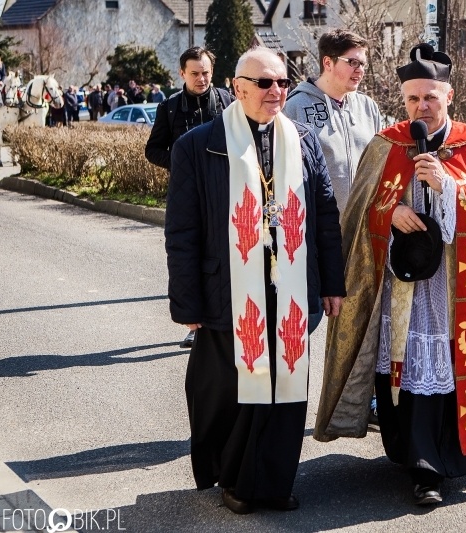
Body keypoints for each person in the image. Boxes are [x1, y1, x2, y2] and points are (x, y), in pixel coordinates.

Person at [314, 43, 466, 507]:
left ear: (450, 95)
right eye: (412, 99)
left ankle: (433, 463)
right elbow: (363, 211)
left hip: (456, 289)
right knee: (404, 368)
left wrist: (449, 186)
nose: (421, 107)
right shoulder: (388, 144)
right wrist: (392, 211)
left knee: (443, 368)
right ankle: (411, 454)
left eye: (430, 98)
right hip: (401, 288)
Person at [165, 46, 345, 514]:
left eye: (282, 82)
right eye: (265, 83)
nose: (276, 91)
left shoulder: (303, 141)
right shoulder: (197, 145)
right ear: (238, 86)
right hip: (227, 291)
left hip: (289, 289)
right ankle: (236, 481)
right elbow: (182, 233)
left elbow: (325, 217)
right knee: (237, 392)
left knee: (285, 392)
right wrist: (186, 306)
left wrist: (332, 283)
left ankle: (275, 480)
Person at [282, 28, 381, 345]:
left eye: (363, 63)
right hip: (314, 240)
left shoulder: (367, 108)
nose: (360, 70)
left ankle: (355, 395)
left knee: (361, 328)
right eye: (352, 62)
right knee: (301, 324)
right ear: (328, 62)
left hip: (362, 238)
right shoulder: (295, 108)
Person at [146, 46, 233, 349]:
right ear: (181, 73)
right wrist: (183, 163)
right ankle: (195, 325)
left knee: (221, 257)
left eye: (206, 72)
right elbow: (152, 150)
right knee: (189, 258)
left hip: (224, 193)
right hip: (186, 196)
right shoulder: (169, 107)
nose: (201, 78)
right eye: (195, 73)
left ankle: (223, 320)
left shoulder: (227, 101)